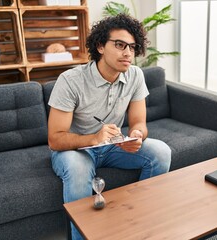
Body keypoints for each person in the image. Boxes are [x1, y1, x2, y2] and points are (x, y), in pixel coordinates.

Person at [47, 14, 172, 240]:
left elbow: (139, 123)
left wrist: (136, 135)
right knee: (77, 169)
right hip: (75, 150)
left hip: (113, 145)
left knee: (160, 152)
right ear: (100, 46)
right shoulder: (70, 80)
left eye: (132, 47)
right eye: (120, 45)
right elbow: (55, 139)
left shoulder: (135, 76)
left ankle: (138, 224)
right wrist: (94, 139)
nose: (127, 53)